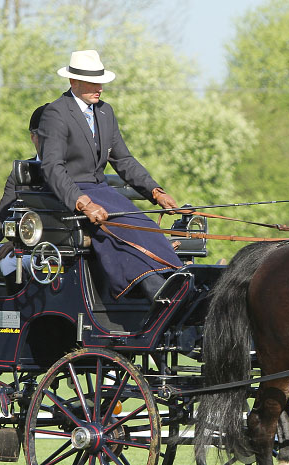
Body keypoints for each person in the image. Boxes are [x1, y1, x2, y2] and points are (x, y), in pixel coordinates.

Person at [38, 49, 184, 300]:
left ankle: (176, 278)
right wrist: (83, 203)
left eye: (101, 82)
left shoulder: (106, 112)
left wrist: (155, 192)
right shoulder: (56, 113)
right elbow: (52, 166)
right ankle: (154, 290)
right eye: (93, 82)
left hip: (102, 191)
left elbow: (123, 160)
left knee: (143, 223)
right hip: (74, 193)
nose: (100, 88)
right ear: (73, 81)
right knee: (121, 229)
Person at [0, 103, 49, 276]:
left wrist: (20, 242)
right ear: (32, 137)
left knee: (10, 261)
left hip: (49, 245)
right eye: (43, 135)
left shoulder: (71, 171)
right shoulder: (21, 170)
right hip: (21, 244)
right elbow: (3, 212)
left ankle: (18, 303)